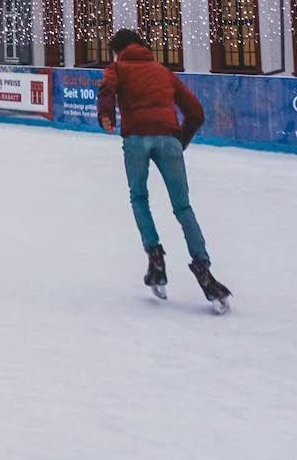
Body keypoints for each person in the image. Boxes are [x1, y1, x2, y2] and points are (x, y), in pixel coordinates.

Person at [97, 29, 232, 311]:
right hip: (168, 138)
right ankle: (204, 270)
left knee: (139, 197)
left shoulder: (117, 67)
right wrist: (180, 139)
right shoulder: (162, 71)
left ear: (119, 50)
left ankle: (155, 256)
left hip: (136, 138)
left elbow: (107, 89)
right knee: (183, 208)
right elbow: (195, 112)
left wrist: (105, 115)